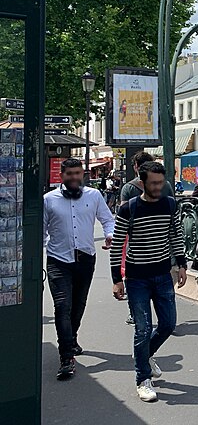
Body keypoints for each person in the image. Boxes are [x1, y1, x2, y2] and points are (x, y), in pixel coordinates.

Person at [110, 161, 187, 402]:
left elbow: (175, 234)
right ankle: (143, 379)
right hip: (137, 278)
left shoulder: (170, 204)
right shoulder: (129, 208)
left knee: (168, 324)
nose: (158, 187)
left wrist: (182, 264)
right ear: (142, 183)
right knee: (142, 328)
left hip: (163, 274)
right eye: (153, 183)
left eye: (161, 182)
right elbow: (117, 245)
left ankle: (146, 355)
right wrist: (116, 279)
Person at [43, 158, 116, 380]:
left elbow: (107, 219)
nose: (74, 177)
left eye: (78, 173)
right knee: (62, 305)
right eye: (69, 174)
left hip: (85, 259)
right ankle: (66, 357)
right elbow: (41, 229)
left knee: (78, 304)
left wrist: (110, 234)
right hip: (58, 259)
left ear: (83, 174)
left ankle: (71, 338)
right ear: (62, 176)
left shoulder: (94, 196)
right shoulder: (49, 199)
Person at [120, 151, 174, 325]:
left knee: (134, 279)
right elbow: (174, 213)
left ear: (136, 166)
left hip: (138, 245)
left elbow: (122, 217)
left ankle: (135, 313)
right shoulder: (165, 185)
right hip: (162, 241)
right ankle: (164, 316)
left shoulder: (128, 188)